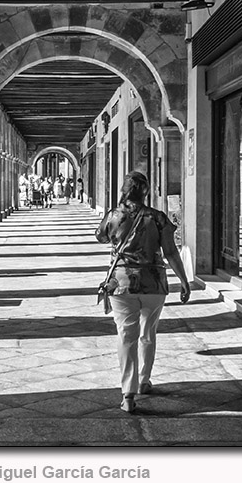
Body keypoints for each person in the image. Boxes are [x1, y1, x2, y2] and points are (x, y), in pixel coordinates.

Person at [95, 170, 191, 413]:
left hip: (121, 284)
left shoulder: (114, 215)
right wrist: (184, 281)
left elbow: (100, 236)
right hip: (154, 283)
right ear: (146, 191)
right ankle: (144, 380)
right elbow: (171, 252)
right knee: (148, 333)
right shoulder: (158, 218)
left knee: (126, 336)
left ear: (124, 190)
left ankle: (128, 394)